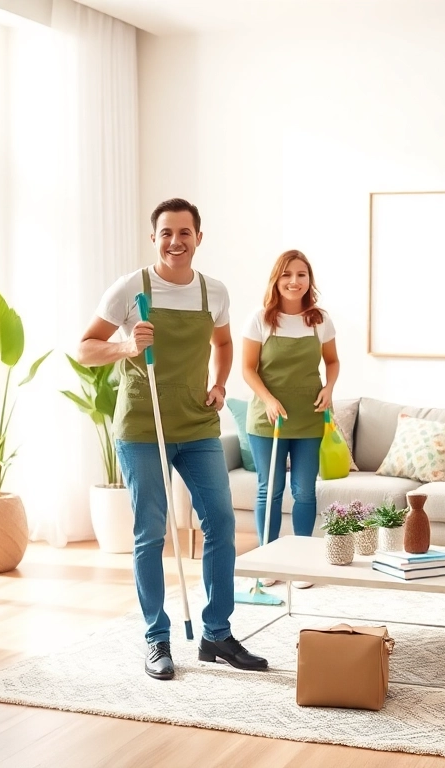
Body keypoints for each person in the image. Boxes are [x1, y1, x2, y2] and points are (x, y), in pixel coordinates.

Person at [78, 198, 268, 681]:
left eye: (185, 233)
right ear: (154, 237)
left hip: (198, 424)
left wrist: (220, 383)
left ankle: (217, 633)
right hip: (144, 425)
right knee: (150, 531)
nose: (175, 242)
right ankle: (155, 637)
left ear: (198, 237)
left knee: (221, 524)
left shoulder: (214, 292)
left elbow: (223, 345)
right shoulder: (130, 288)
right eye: (166, 233)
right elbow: (84, 348)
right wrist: (125, 345)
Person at [241, 250, 339, 590]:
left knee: (304, 492)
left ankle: (301, 563)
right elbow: (247, 368)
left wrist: (329, 388)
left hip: (309, 417)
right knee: (270, 490)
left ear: (309, 280)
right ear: (276, 280)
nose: (294, 281)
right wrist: (268, 399)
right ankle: (268, 560)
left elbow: (333, 361)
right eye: (287, 275)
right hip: (268, 420)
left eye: (301, 274)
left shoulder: (320, 319)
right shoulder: (260, 319)